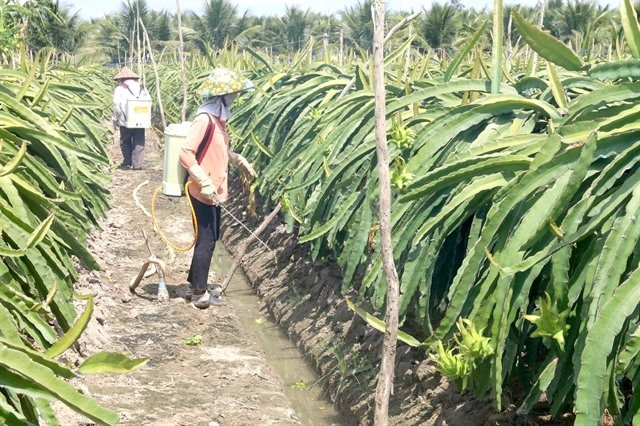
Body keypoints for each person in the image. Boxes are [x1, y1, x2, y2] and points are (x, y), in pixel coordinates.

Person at [179, 67, 257, 309]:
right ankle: (199, 293)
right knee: (207, 239)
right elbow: (185, 152)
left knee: (211, 237)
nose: (235, 98)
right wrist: (202, 180)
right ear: (221, 97)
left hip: (213, 190)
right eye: (232, 94)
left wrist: (237, 159)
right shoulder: (204, 120)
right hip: (202, 189)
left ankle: (195, 283)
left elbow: (219, 150)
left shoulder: (219, 122)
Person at [112, 67, 150, 170]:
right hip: (141, 118)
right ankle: (137, 166)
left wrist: (115, 120)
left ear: (121, 79)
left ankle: (127, 163)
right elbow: (148, 101)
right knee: (139, 140)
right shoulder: (142, 87)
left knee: (125, 141)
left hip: (125, 120)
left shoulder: (120, 88)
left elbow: (117, 106)